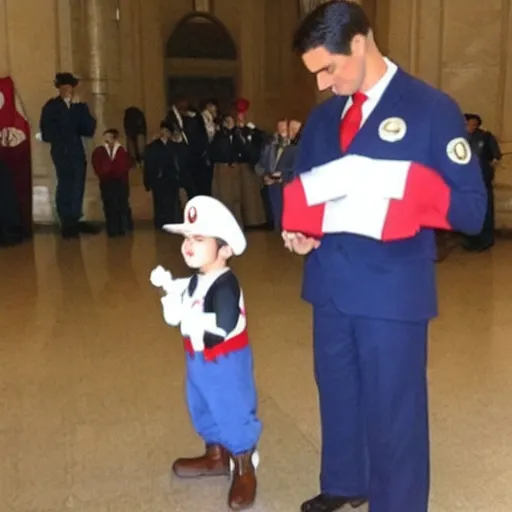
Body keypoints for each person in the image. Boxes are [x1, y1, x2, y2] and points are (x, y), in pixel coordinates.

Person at [281, 2, 487, 512]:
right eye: (316, 74)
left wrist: (411, 191)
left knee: (395, 411)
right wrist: (299, 232)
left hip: (392, 292)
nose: (325, 83)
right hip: (329, 283)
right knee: (338, 392)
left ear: (359, 42)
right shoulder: (325, 115)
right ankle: (347, 480)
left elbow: (472, 210)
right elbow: (301, 188)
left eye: (328, 68)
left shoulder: (430, 108)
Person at [149, 195, 261, 510]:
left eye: (199, 239)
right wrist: (169, 292)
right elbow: (174, 316)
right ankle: (215, 453)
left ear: (224, 249)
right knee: (201, 403)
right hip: (197, 360)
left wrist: (190, 317)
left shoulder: (225, 284)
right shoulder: (195, 281)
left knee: (231, 406)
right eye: (187, 238)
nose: (188, 245)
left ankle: (242, 464)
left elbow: (222, 325)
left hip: (223, 359)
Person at [39, 72, 98, 239]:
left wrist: (79, 110)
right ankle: (66, 221)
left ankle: (74, 218)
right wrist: (68, 114)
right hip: (61, 152)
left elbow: (89, 129)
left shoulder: (79, 106)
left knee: (78, 185)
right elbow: (47, 133)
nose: (68, 90)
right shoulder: (51, 107)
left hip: (77, 152)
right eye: (64, 87)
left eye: (70, 87)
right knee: (65, 184)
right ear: (59, 89)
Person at [463, 113, 502, 251]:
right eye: (468, 123)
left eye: (474, 124)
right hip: (465, 182)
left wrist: (491, 164)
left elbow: (496, 156)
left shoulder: (486, 137)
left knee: (485, 210)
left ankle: (485, 240)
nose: (471, 126)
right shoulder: (460, 137)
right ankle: (471, 239)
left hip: (482, 180)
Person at [143, 121, 189, 228]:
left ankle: (172, 221)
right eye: (163, 130)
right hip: (158, 179)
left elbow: (182, 157)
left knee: (172, 202)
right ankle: (160, 223)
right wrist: (148, 180)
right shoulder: (153, 146)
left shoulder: (174, 146)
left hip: (171, 178)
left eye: (167, 131)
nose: (165, 133)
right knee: (159, 202)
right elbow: (149, 164)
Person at [91, 129, 133, 237]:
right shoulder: (99, 151)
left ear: (114, 138)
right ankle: (111, 229)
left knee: (121, 205)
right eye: (105, 137)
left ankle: (121, 228)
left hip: (119, 183)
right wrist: (105, 173)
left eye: (109, 137)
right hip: (106, 183)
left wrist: (110, 171)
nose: (106, 139)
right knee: (108, 206)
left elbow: (123, 167)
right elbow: (97, 165)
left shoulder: (121, 151)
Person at [255, 119, 289, 231]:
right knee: (275, 211)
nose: (281, 131)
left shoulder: (294, 146)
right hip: (272, 183)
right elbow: (260, 164)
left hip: (287, 183)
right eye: (279, 128)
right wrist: (264, 175)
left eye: (284, 128)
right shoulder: (270, 146)